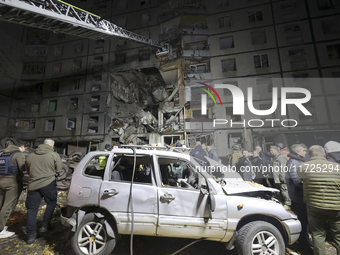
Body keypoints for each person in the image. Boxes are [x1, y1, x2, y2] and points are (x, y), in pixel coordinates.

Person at [298, 145, 340, 255]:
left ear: (309, 155)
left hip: (314, 205)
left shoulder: (303, 167)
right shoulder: (337, 167)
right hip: (336, 206)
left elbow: (300, 179)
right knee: (338, 234)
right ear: (324, 155)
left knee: (318, 234)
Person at [25, 138, 62, 244]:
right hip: (48, 183)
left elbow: (27, 170)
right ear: (51, 145)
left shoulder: (30, 156)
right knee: (51, 202)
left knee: (32, 210)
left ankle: (30, 236)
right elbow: (59, 170)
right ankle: (45, 226)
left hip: (33, 185)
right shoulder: (54, 155)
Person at [286, 144, 312, 252]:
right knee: (303, 220)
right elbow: (297, 181)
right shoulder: (294, 162)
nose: (305, 152)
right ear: (297, 152)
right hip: (298, 197)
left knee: (304, 220)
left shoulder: (296, 161)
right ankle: (303, 244)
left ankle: (304, 240)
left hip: (299, 196)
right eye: (303, 150)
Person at [0, 144, 26, 239]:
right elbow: (22, 168)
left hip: (1, 180)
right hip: (12, 182)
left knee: (1, 204)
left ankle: (1, 225)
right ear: (22, 146)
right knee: (8, 205)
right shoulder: (18, 154)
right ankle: (0, 230)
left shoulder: (3, 154)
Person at [270, 145, 291, 210]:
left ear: (277, 150)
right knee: (279, 191)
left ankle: (288, 204)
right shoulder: (274, 158)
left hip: (280, 178)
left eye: (272, 150)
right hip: (276, 178)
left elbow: (283, 167)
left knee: (284, 190)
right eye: (270, 151)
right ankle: (282, 202)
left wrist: (283, 177)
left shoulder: (281, 157)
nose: (271, 152)